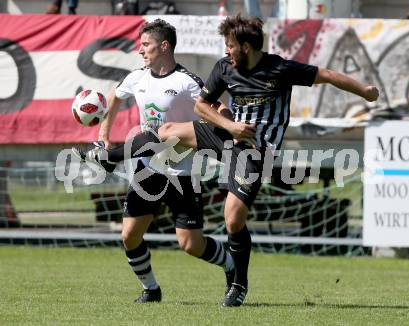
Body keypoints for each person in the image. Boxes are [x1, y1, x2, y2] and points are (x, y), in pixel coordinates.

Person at [75, 14, 379, 307]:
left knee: (231, 218)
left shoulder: (279, 69)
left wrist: (364, 92)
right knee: (166, 130)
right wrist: (231, 126)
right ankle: (108, 158)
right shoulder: (224, 68)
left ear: (246, 47)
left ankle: (238, 282)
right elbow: (202, 106)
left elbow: (326, 75)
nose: (226, 51)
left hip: (257, 150)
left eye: (230, 46)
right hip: (227, 137)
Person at [74, 19, 235, 304]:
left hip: (183, 171)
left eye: (146, 44)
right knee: (129, 236)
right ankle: (151, 289)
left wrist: (227, 122)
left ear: (164, 46)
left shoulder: (186, 81)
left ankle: (232, 267)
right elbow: (114, 97)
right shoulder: (137, 78)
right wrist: (103, 135)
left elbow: (216, 105)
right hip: (148, 170)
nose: (140, 50)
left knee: (190, 244)